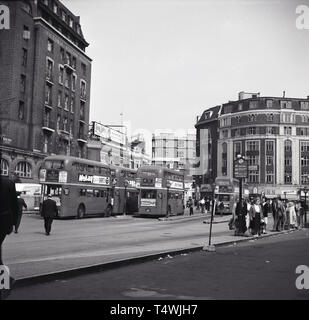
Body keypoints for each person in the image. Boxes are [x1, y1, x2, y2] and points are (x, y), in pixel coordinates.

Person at [0, 176, 18, 299]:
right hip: (4, 222)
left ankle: (5, 283)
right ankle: (5, 283)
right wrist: (13, 224)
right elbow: (15, 205)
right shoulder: (9, 183)